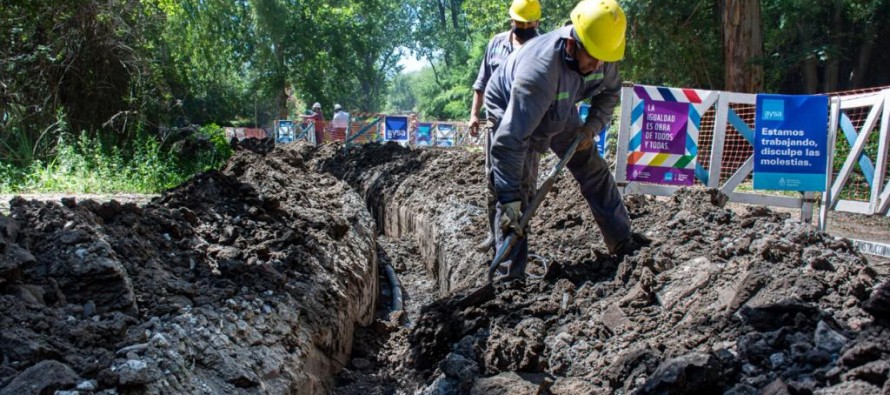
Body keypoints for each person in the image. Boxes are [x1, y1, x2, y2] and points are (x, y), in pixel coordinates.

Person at [483, 0, 640, 281]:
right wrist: (509, 199)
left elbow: (610, 93)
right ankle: (508, 277)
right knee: (518, 191)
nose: (598, 66)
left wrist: (591, 128)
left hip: (560, 106)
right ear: (571, 44)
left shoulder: (602, 54)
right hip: (513, 107)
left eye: (603, 59)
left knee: (592, 167)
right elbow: (510, 140)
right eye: (592, 58)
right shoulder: (539, 73)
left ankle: (624, 242)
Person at [469, 0, 542, 252]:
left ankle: (517, 242)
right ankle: (494, 233)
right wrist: (474, 115)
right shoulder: (496, 44)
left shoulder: (544, 49)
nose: (523, 27)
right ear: (511, 20)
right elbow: (481, 83)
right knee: (493, 181)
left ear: (537, 23)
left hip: (527, 128)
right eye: (519, 23)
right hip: (497, 125)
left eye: (528, 23)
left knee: (524, 186)